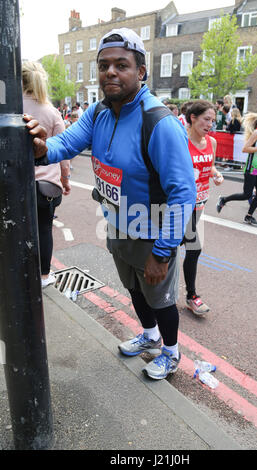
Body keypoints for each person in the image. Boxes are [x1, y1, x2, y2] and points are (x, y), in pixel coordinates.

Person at [24, 28, 196, 381]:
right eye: (104, 66)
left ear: (141, 72)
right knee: (134, 289)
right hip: (118, 224)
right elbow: (67, 142)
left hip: (152, 232)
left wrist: (162, 253)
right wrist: (43, 148)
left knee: (160, 299)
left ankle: (171, 352)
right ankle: (148, 338)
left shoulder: (159, 123)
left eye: (122, 65)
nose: (111, 73)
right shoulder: (100, 110)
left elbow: (183, 194)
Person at [22, 61, 71, 288]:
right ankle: (43, 276)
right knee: (44, 229)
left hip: (18, 185)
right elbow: (64, 152)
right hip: (46, 187)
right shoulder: (51, 112)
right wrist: (65, 179)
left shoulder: (10, 109)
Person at [182, 100, 223, 316]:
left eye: (213, 121)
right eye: (206, 119)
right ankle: (191, 295)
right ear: (193, 118)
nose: (210, 124)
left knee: (187, 245)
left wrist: (215, 174)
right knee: (192, 247)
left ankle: (186, 295)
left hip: (200, 203)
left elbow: (211, 164)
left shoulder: (212, 142)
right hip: (180, 205)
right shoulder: (180, 142)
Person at [216, 110, 257, 226]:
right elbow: (245, 149)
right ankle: (223, 200)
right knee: (247, 195)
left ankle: (249, 216)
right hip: (251, 167)